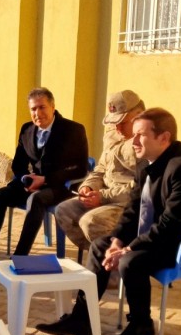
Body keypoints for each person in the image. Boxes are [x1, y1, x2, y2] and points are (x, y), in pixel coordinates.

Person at [37, 107, 181, 335]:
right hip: (168, 235)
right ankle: (82, 318)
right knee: (101, 245)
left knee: (130, 260)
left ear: (164, 138)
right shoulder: (147, 164)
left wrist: (128, 248)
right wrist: (117, 242)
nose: (133, 141)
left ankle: (141, 324)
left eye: (141, 134)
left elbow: (171, 223)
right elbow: (133, 210)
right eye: (133, 134)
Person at [0, 88, 89, 270]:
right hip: (31, 184)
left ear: (53, 107)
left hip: (59, 187)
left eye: (42, 107)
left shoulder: (73, 130)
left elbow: (80, 168)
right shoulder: (27, 130)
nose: (37, 113)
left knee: (36, 199)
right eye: (33, 109)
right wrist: (25, 178)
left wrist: (45, 179)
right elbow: (18, 164)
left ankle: (20, 257)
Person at [52, 90, 145, 258]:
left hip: (127, 204)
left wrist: (102, 197)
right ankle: (103, 258)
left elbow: (140, 188)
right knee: (63, 211)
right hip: (104, 196)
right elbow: (101, 168)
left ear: (138, 116)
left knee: (91, 222)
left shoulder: (144, 143)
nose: (117, 127)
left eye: (122, 122)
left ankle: (113, 270)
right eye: (114, 122)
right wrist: (88, 186)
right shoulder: (113, 135)